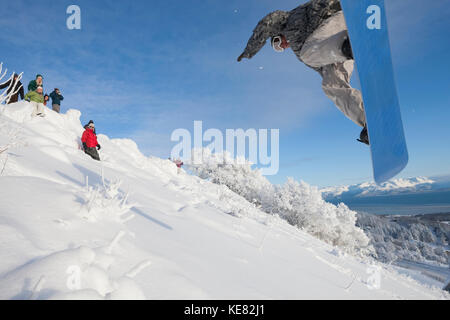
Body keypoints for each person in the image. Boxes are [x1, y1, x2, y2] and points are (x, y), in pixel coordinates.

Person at [237, 0, 369, 145]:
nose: (282, 46)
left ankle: (351, 44)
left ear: (277, 33)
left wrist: (249, 51)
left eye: (277, 42)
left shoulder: (286, 19)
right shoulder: (299, 48)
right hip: (336, 50)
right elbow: (320, 62)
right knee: (331, 86)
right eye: (278, 48)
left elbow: (266, 24)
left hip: (333, 19)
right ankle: (368, 118)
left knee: (307, 54)